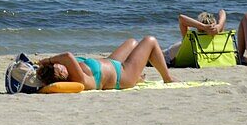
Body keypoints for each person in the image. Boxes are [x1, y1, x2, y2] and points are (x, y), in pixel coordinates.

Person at [36, 36, 176, 91]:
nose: (62, 66)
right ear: (62, 74)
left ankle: (138, 77)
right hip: (123, 75)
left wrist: (42, 67)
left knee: (132, 42)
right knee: (150, 41)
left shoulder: (71, 70)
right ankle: (167, 78)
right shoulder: (80, 79)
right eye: (60, 68)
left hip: (113, 63)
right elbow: (67, 56)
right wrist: (47, 60)